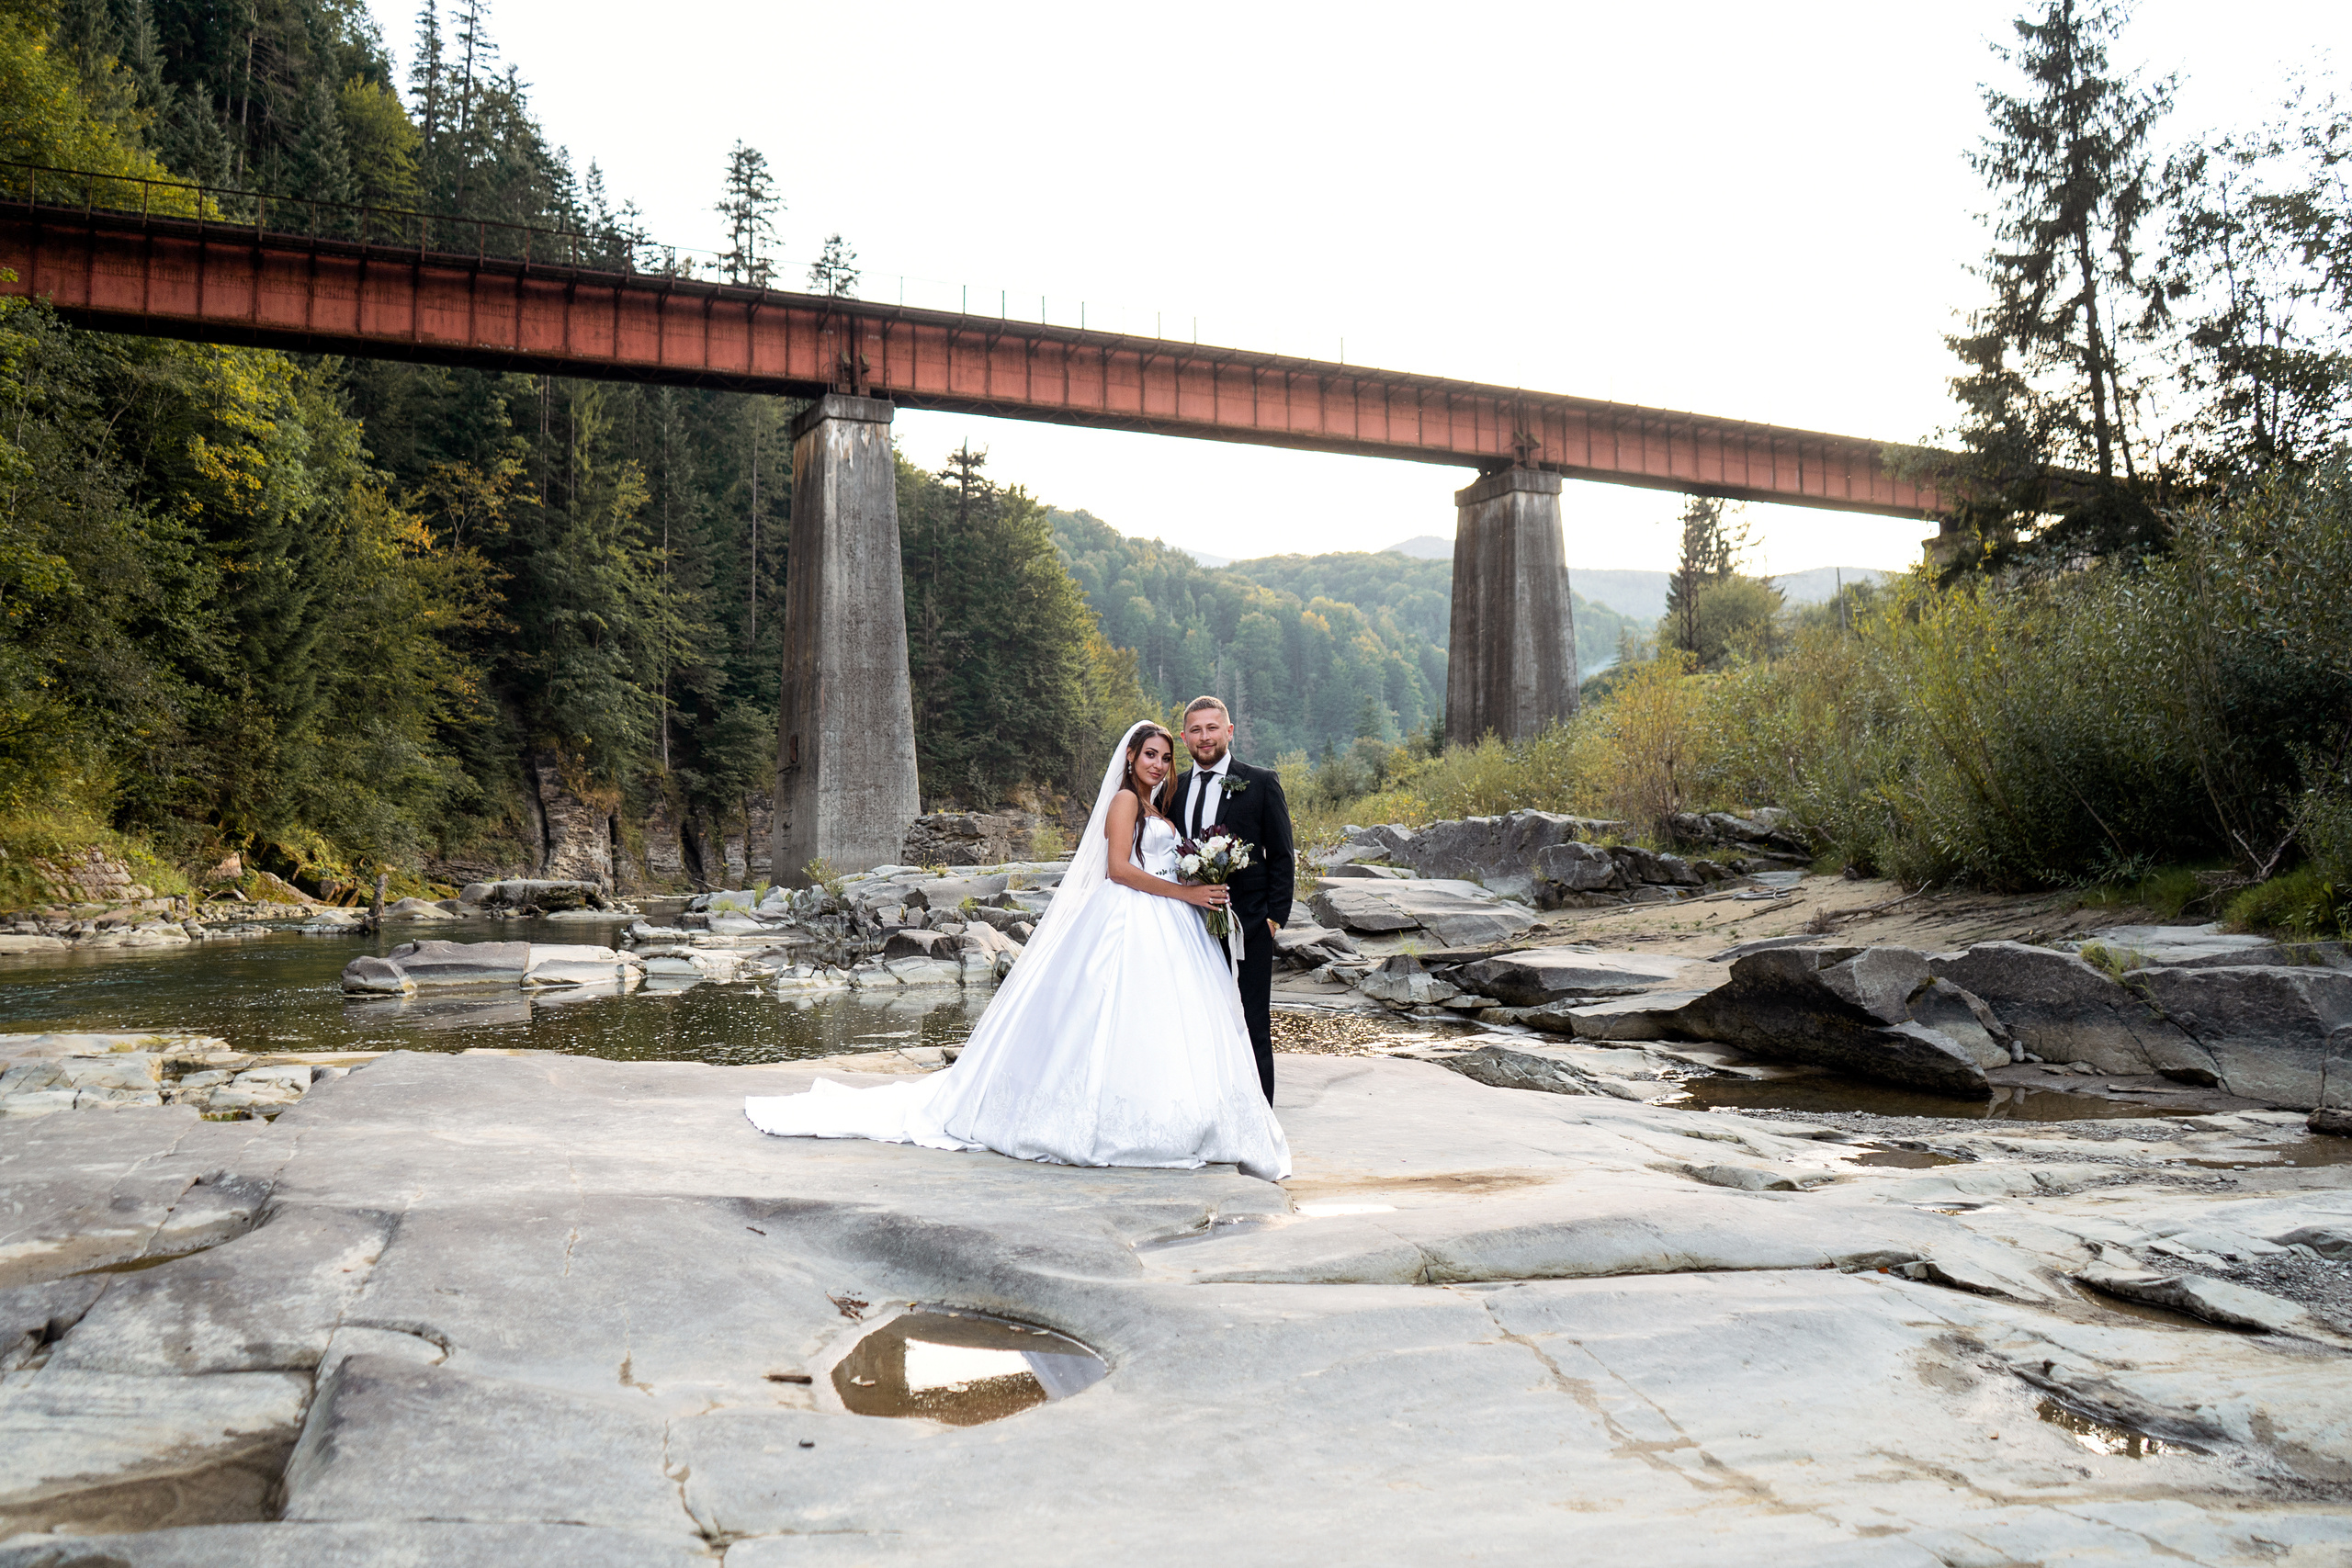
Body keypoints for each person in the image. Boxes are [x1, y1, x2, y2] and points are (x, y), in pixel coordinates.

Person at [742, 721, 1291, 1182]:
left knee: (1166, 1025)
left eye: (1165, 758)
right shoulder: (1125, 801)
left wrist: (1198, 890)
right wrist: (1187, 891)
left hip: (1173, 926)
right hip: (1131, 917)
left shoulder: (1160, 804)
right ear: (1129, 757)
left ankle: (1183, 1118)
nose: (1158, 764)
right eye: (1150, 754)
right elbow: (1118, 870)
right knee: (1111, 1018)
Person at [1173, 696, 1295, 1103]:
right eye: (1195, 730)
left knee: (1252, 1021)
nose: (1204, 737)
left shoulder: (1260, 781)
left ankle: (1260, 1115)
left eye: (1212, 728)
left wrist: (1274, 919)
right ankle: (1209, 1106)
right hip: (1188, 926)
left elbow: (1281, 854)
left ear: (1228, 731)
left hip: (1249, 925)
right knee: (1196, 1019)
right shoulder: (1174, 789)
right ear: (1185, 737)